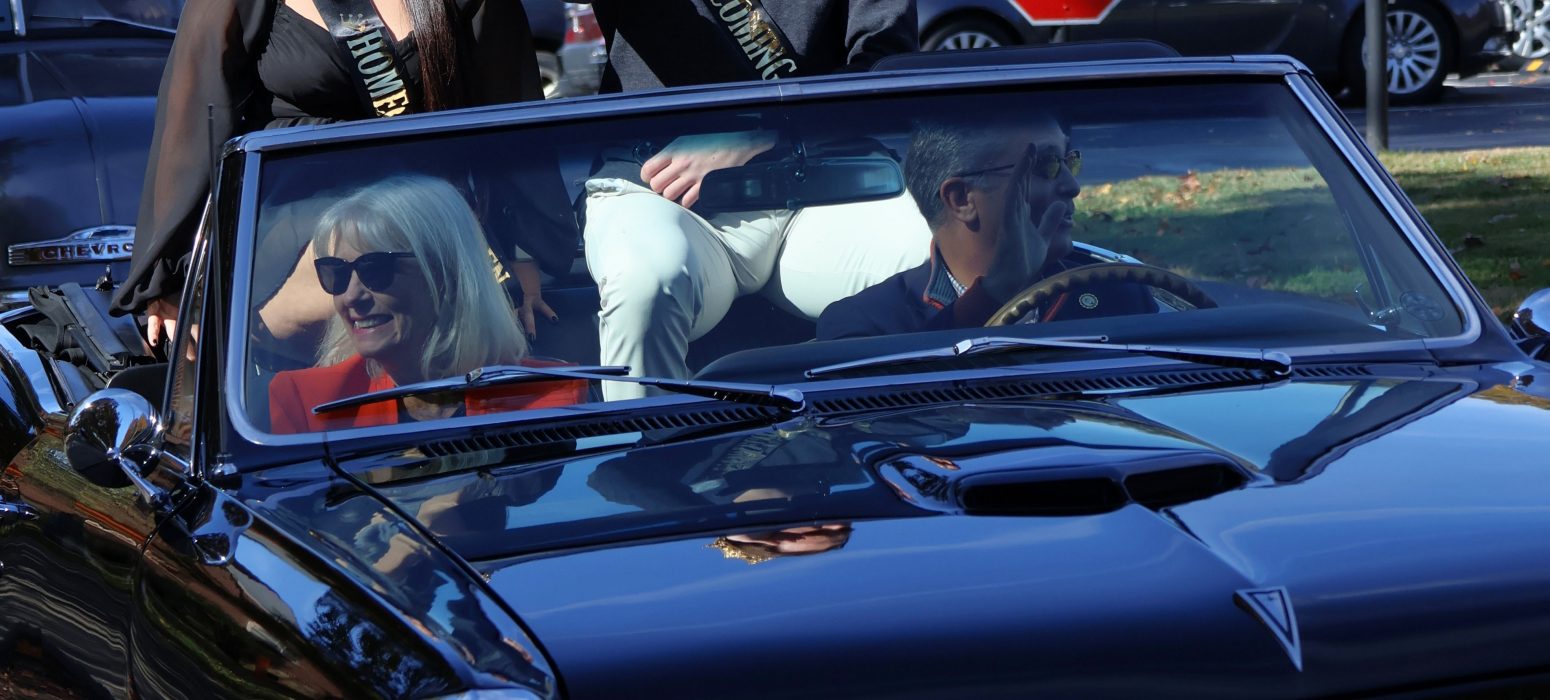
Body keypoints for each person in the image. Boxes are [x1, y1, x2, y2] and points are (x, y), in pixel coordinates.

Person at [111, 0, 571, 346]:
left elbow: (509, 119)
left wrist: (522, 253)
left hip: (429, 219)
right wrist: (171, 278)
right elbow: (193, 121)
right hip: (295, 211)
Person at [576, 0, 930, 400]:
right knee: (645, 285)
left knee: (939, 264)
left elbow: (885, 64)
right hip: (658, 186)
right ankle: (646, 440)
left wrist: (764, 127)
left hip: (821, 181)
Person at [268, 176, 584, 434]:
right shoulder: (308, 406)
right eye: (336, 273)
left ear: (445, 275)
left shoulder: (552, 397)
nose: (351, 297)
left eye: (375, 270)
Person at [817, 115, 1157, 340]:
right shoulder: (868, 325)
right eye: (1046, 165)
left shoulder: (1120, 294)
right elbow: (903, 408)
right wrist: (993, 294)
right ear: (961, 199)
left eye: (1070, 161)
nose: (1073, 186)